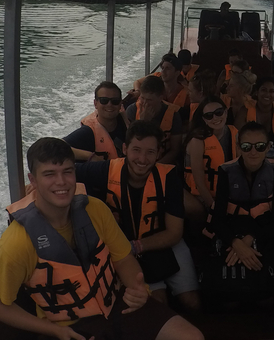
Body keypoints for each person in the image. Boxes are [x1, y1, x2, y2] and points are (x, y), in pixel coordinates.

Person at [0, 137, 203, 340]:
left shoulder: (95, 209)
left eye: (67, 172)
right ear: (33, 180)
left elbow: (124, 258)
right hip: (69, 326)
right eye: (49, 174)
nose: (61, 182)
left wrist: (136, 289)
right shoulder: (17, 242)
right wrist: (54, 331)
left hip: (116, 304)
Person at [76, 121, 202, 313]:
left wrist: (135, 246)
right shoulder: (105, 170)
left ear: (159, 154)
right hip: (126, 251)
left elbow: (174, 233)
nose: (142, 159)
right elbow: (67, 171)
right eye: (136, 150)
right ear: (125, 148)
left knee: (191, 302)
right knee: (157, 304)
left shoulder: (169, 178)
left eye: (150, 152)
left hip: (163, 242)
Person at [203, 122, 274, 306]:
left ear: (268, 147)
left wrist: (247, 242)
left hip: (264, 231)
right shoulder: (226, 172)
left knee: (265, 267)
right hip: (231, 230)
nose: (253, 152)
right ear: (238, 147)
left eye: (259, 146)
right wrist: (236, 244)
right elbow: (218, 220)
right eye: (246, 146)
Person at [183, 96, 238, 229]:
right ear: (203, 120)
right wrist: (213, 206)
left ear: (226, 112)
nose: (215, 118)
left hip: (226, 192)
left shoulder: (234, 133)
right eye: (209, 116)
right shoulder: (197, 140)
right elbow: (199, 180)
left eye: (218, 112)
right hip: (200, 194)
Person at [64, 81, 129, 162]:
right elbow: (56, 147)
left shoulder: (126, 122)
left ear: (120, 104)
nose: (109, 104)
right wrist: (90, 156)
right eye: (104, 100)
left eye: (115, 101)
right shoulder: (88, 132)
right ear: (95, 104)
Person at [235, 75, 274, 162]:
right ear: (257, 92)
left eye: (271, 91)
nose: (267, 94)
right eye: (263, 90)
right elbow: (237, 138)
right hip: (248, 159)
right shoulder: (245, 111)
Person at [126, 75, 183, 165]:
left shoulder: (173, 114)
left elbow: (175, 149)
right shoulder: (132, 111)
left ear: (160, 98)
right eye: (142, 98)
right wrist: (143, 122)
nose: (144, 103)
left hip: (163, 163)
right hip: (138, 162)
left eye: (149, 100)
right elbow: (129, 143)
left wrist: (156, 166)